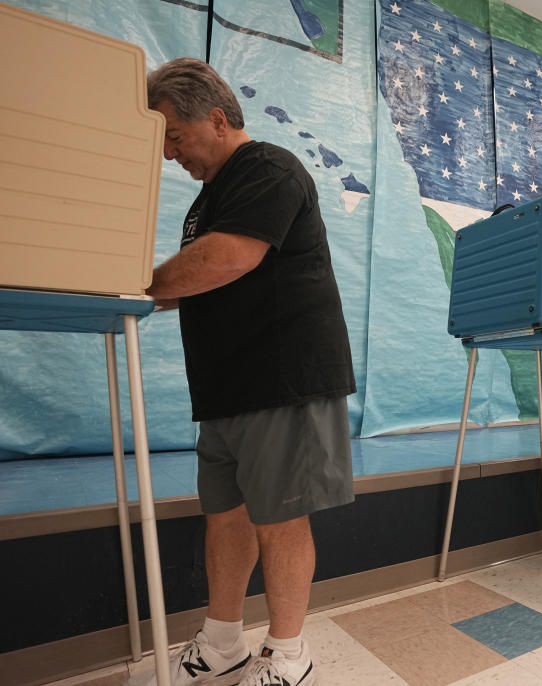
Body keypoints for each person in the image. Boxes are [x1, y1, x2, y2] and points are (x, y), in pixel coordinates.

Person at [145, 58, 355, 686]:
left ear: (216, 118)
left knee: (281, 517)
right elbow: (196, 277)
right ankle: (222, 644)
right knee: (226, 516)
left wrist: (134, 282)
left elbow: (229, 257)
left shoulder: (267, 167)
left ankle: (289, 655)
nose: (169, 155)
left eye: (175, 138)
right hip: (225, 387)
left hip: (280, 378)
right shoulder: (208, 197)